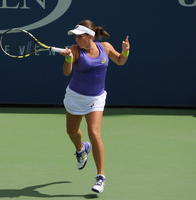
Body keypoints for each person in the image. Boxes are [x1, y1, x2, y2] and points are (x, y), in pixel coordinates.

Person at [60, 20, 129, 193]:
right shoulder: (75, 50)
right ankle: (81, 149)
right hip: (75, 97)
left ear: (89, 36)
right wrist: (68, 59)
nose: (76, 39)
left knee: (94, 133)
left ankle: (100, 176)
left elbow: (120, 61)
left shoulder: (105, 47)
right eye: (75, 36)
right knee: (72, 132)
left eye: (79, 36)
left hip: (96, 98)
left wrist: (125, 52)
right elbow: (66, 72)